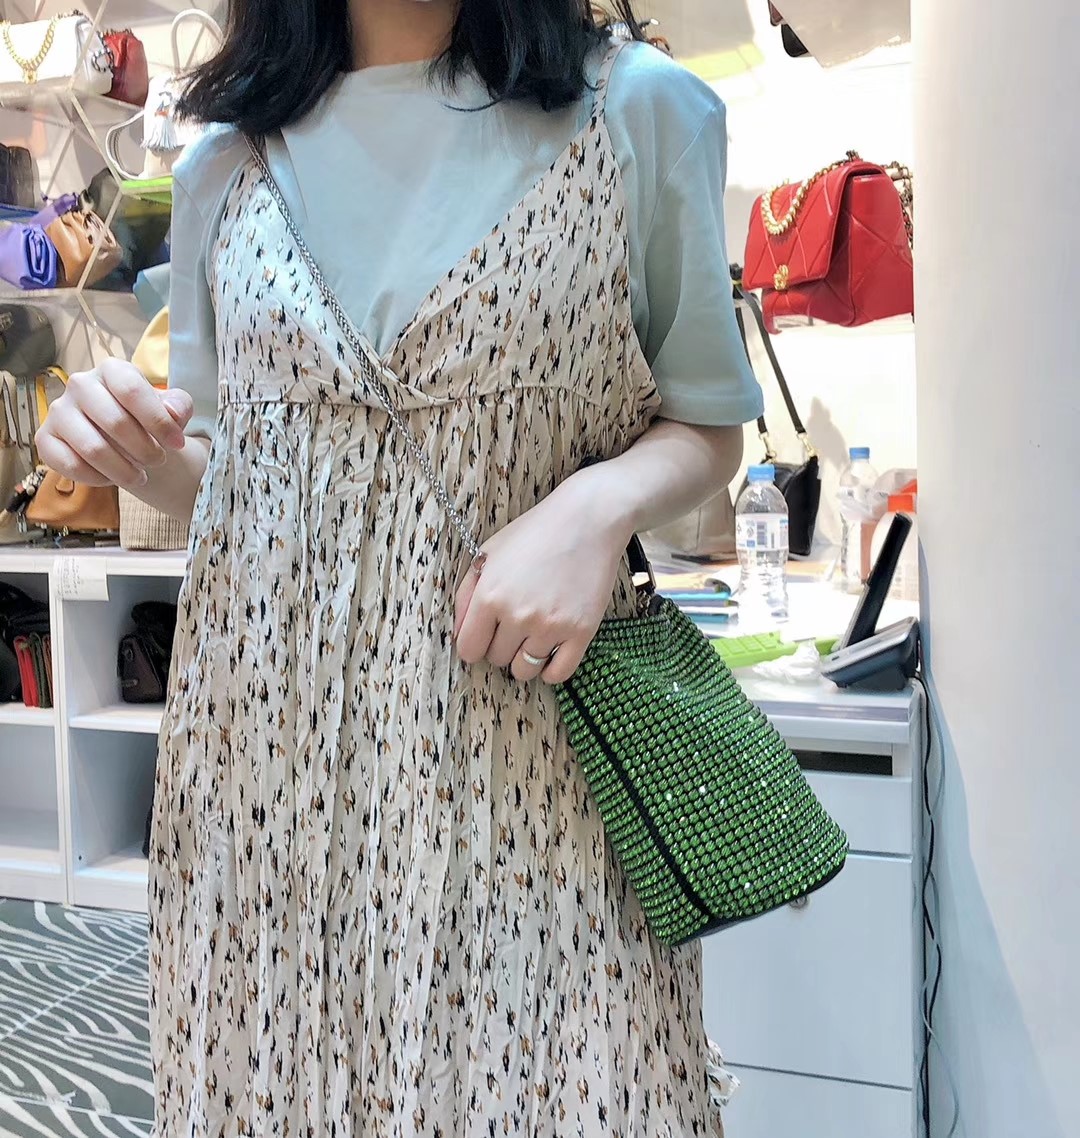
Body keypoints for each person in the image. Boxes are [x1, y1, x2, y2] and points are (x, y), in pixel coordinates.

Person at [36, 1, 763, 1133]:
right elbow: (227, 468)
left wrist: (596, 507)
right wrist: (116, 438)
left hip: (529, 762)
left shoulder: (637, 109)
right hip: (268, 776)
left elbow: (709, 422)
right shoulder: (228, 156)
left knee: (563, 1088)